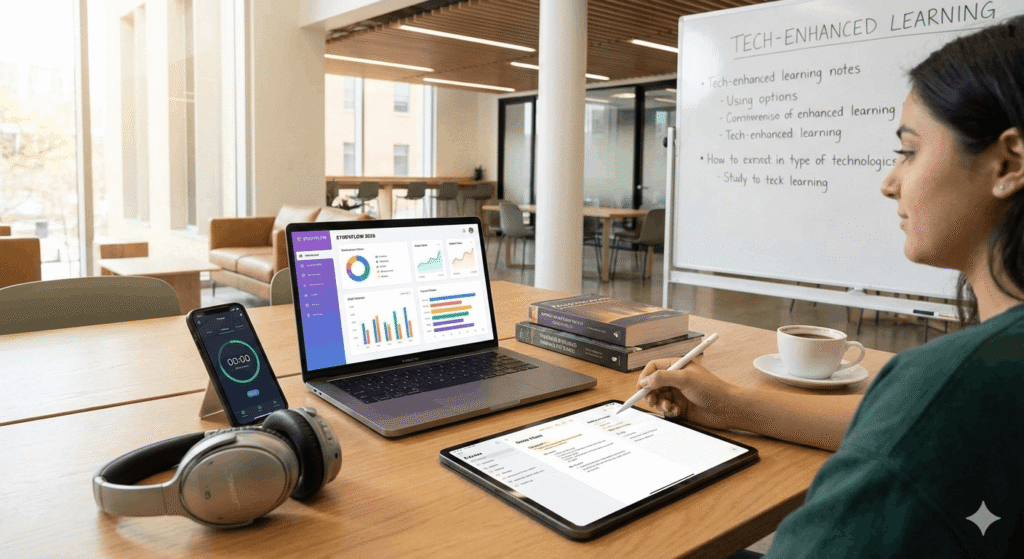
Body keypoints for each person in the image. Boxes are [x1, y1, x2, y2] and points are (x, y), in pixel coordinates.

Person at [639, 15, 1024, 557]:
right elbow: (903, 435)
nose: (890, 182)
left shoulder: (956, 384)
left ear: (1008, 162)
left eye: (910, 151)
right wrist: (734, 406)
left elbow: (922, 427)